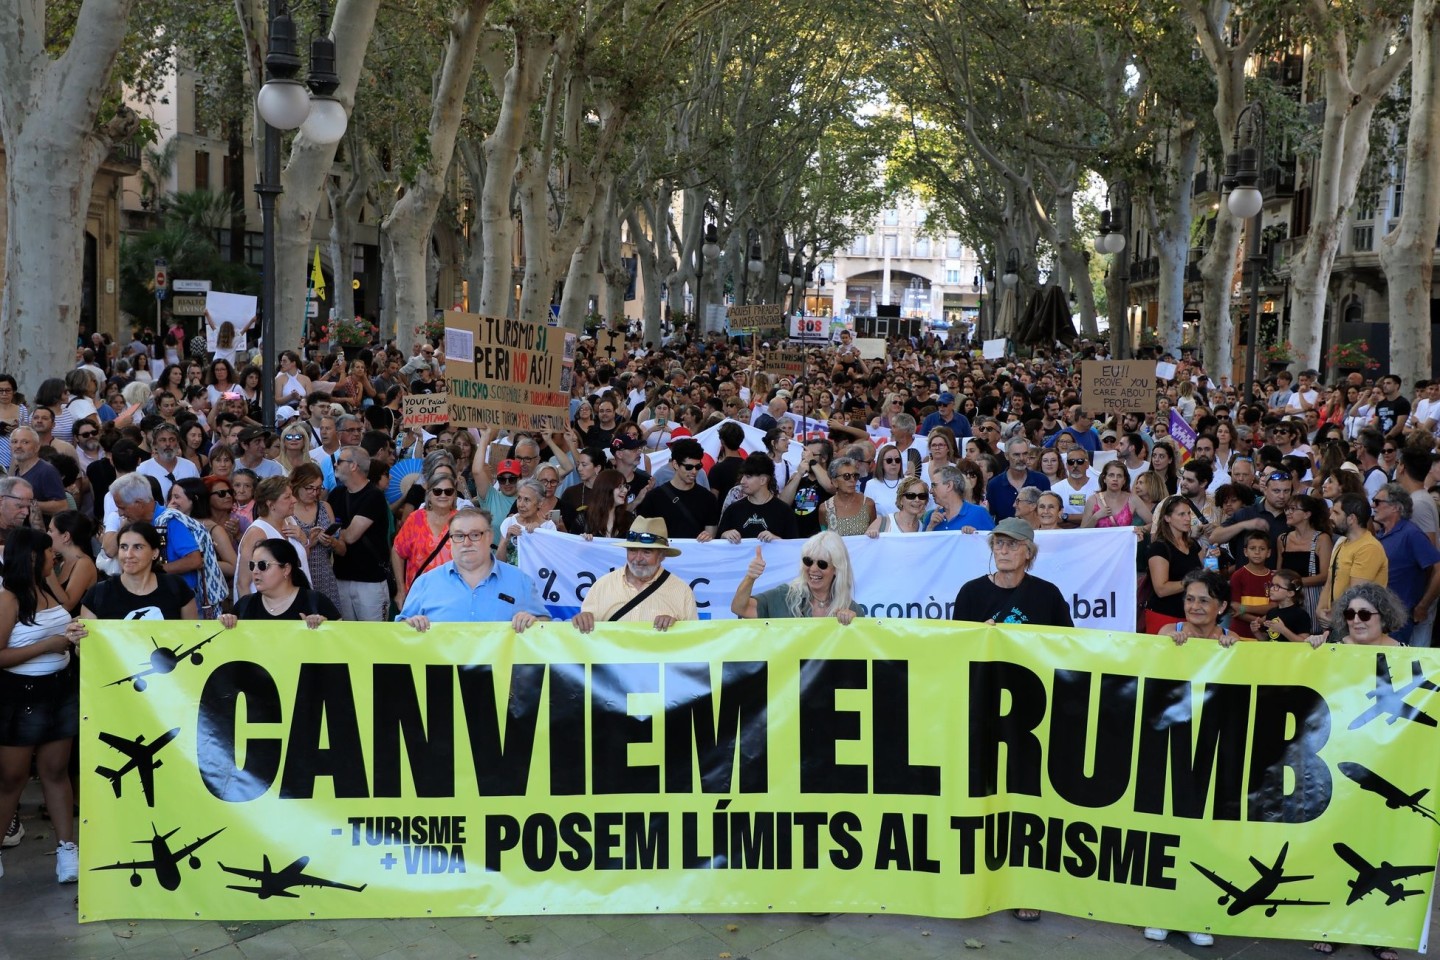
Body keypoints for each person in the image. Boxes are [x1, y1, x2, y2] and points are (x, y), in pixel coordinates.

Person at [0, 527, 87, 882]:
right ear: (34, 557)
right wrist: (46, 646)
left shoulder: (50, 585)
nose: (57, 556)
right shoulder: (8, 598)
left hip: (59, 690)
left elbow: (61, 623)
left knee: (56, 771)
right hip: (20, 695)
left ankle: (67, 850)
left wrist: (73, 634)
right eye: (50, 552)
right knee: (12, 778)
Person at [399, 508, 550, 632]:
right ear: (450, 540)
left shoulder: (520, 581)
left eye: (475, 535)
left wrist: (535, 622)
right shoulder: (425, 583)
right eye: (459, 536)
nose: (466, 542)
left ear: (490, 537)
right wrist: (410, 624)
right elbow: (398, 634)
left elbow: (548, 629)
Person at [571, 517, 698, 632]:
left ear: (662, 556)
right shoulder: (602, 586)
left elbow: (693, 640)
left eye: (646, 552)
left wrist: (676, 627)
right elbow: (586, 637)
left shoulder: (682, 592)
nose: (638, 558)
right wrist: (583, 620)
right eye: (632, 551)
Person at [952, 517, 1072, 629]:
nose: (1004, 551)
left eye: (1012, 544)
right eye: (998, 543)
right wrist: (980, 634)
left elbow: (1067, 642)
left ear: (1029, 552)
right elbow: (960, 644)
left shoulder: (1048, 594)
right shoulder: (971, 592)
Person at [731, 532, 863, 622]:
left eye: (822, 564)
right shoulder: (783, 596)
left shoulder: (851, 609)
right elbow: (740, 608)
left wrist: (853, 625)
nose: (813, 569)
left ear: (836, 568)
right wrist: (750, 578)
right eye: (808, 561)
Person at [80, 522, 198, 620]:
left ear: (155, 553)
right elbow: (87, 646)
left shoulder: (176, 587)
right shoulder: (98, 594)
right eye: (123, 547)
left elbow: (193, 636)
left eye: (138, 547)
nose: (128, 554)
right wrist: (78, 641)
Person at [327, 446, 391, 621]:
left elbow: (350, 536)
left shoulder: (374, 496)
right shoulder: (336, 494)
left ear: (353, 465)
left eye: (340, 461)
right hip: (342, 577)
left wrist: (336, 534)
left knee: (374, 639)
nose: (335, 465)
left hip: (370, 581)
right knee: (348, 639)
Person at [219, 538, 341, 629]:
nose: (255, 571)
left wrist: (325, 626)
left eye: (262, 565)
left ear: (286, 569)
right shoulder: (245, 605)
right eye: (252, 565)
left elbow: (343, 640)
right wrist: (226, 622)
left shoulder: (316, 601)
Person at [1372, 483, 1440, 646]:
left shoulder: (1411, 533)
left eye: (1377, 502)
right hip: (1378, 615)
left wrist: (1423, 605)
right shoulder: (1381, 535)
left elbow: (1438, 569)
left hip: (1398, 619)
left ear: (1395, 507)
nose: (1373, 505)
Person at [391, 462, 459, 609]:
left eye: (448, 491)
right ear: (429, 493)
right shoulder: (415, 519)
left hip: (453, 598)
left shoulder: (463, 521)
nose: (442, 495)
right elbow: (397, 551)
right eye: (437, 491)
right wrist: (401, 590)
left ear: (454, 494)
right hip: (417, 597)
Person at [1318, 494, 1389, 628]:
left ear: (1351, 519)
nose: (1331, 517)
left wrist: (1335, 616)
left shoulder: (1369, 547)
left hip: (1360, 624)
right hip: (1338, 621)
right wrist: (1320, 610)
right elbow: (1330, 580)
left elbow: (1355, 593)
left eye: (1336, 513)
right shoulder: (1342, 543)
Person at [234, 477, 310, 600]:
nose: (294, 500)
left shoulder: (290, 521)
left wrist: (304, 540)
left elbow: (300, 561)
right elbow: (243, 583)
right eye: (287, 497)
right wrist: (251, 615)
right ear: (271, 504)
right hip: (266, 608)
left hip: (297, 600)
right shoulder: (257, 533)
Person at [1145, 494, 1207, 634]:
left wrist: (1212, 562)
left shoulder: (1193, 545)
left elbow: (1203, 574)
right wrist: (1193, 581)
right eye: (1181, 514)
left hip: (1191, 617)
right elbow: (1161, 589)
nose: (1187, 518)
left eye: (1188, 514)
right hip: (1164, 615)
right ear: (1167, 518)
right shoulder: (1159, 548)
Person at [635, 438, 719, 540]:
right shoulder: (654, 497)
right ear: (675, 464)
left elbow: (711, 533)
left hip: (696, 554)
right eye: (688, 467)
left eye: (698, 466)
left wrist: (708, 537)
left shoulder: (708, 498)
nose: (694, 471)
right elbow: (643, 533)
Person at [719, 453, 799, 542]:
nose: (742, 481)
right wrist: (725, 535)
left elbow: (793, 547)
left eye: (748, 477)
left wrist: (777, 541)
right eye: (742, 476)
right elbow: (717, 541)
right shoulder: (733, 510)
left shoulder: (784, 511)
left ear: (763, 480)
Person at [1278, 494, 1333, 621]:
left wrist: (1295, 583)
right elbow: (1280, 572)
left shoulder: (1322, 539)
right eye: (1287, 509)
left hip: (1313, 599)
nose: (1288, 512)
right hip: (1287, 598)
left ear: (1307, 514)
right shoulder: (1282, 539)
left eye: (1293, 509)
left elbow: (1325, 575)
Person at [987, 436, 1049, 521]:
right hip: (1004, 533)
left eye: (1025, 454)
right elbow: (990, 517)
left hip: (1035, 533)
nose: (1022, 458)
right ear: (1006, 456)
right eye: (1016, 454)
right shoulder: (994, 485)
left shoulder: (1042, 480)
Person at [1227, 530, 1275, 640]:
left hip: (1263, 636)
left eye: (1262, 549)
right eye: (1252, 548)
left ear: (1268, 553)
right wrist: (1259, 621)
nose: (1257, 552)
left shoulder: (1273, 577)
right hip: (1239, 635)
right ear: (1245, 551)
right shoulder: (1237, 576)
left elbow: (1273, 607)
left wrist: (1244, 608)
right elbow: (1235, 609)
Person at [48, 511, 98, 614]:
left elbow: (68, 606)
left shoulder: (84, 564)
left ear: (66, 536)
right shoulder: (62, 562)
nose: (47, 534)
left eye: (50, 530)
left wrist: (48, 572)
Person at [497, 479, 557, 565]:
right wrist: (505, 541)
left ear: (540, 503)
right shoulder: (509, 522)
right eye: (519, 498)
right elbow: (499, 563)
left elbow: (551, 561)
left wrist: (539, 532)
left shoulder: (548, 527)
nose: (521, 505)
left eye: (527, 500)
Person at [1082, 461, 1151, 529]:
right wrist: (1095, 517)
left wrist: (1140, 529)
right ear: (1104, 479)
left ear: (1124, 480)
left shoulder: (1133, 499)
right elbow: (1081, 533)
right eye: (1111, 475)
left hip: (1124, 540)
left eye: (1119, 476)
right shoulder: (1093, 500)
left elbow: (1153, 524)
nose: (1115, 479)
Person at [928, 465, 996, 532]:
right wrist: (930, 527)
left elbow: (993, 541)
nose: (930, 491)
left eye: (934, 485)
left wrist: (976, 535)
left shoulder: (979, 514)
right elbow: (923, 542)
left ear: (949, 486)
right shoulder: (931, 517)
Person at [820, 456, 876, 536]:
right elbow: (825, 539)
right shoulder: (824, 509)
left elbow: (875, 538)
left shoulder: (868, 504)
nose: (852, 480)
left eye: (855, 476)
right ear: (834, 481)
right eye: (846, 476)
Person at [1259, 569, 1314, 642]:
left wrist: (1283, 630)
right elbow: (1267, 640)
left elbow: (1303, 643)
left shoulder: (1301, 615)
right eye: (1272, 585)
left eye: (1277, 586)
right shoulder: (1271, 613)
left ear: (1290, 593)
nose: (1271, 589)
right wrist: (1256, 632)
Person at [1051, 447, 1098, 528]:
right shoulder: (1055, 489)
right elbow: (1054, 519)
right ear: (1066, 465)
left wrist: (1066, 517)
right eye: (1071, 462)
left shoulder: (1099, 486)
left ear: (1087, 464)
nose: (1075, 465)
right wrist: (1087, 520)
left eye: (1080, 461)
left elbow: (1100, 516)